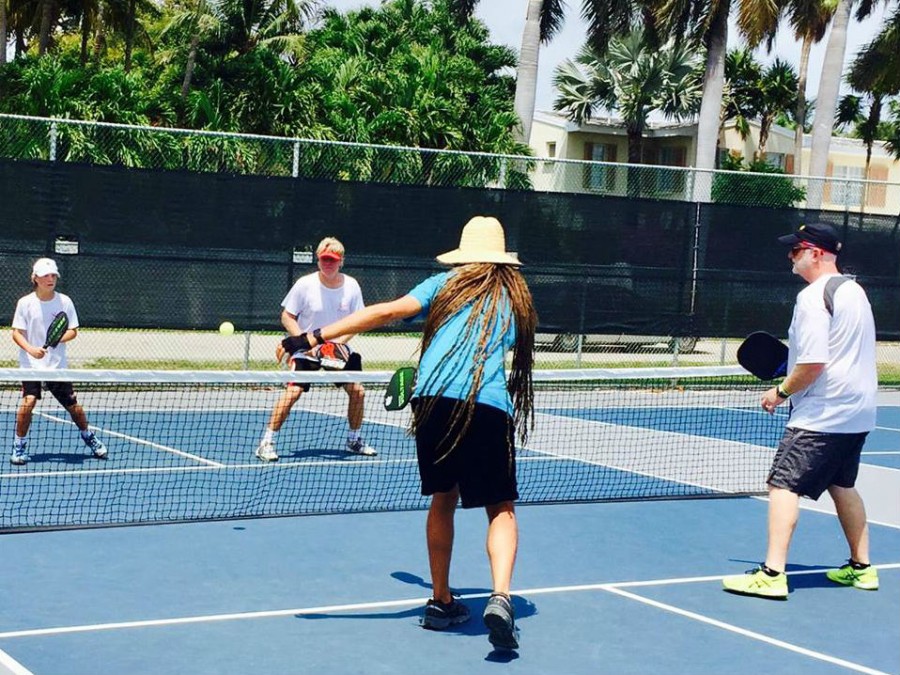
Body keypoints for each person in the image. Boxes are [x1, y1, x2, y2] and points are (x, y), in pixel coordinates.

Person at [277, 216, 536, 650]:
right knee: (501, 509)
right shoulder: (514, 299)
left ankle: (439, 600)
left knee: (443, 499)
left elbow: (383, 313)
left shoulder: (441, 286)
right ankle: (501, 597)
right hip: (486, 406)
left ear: (463, 256)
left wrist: (309, 337)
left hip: (431, 401)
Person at [723, 222, 879, 599]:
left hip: (823, 413)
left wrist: (780, 391)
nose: (790, 256)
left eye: (797, 249)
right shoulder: (855, 292)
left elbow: (812, 364)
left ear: (817, 253)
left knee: (782, 484)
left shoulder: (812, 297)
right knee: (842, 484)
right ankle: (862, 569)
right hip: (858, 411)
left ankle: (772, 574)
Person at [255, 237, 376, 462]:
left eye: (332, 260)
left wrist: (335, 344)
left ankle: (354, 439)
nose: (328, 264)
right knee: (294, 392)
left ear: (341, 261)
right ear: (318, 260)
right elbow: (287, 316)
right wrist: (303, 341)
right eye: (324, 259)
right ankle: (266, 442)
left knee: (358, 391)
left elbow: (357, 322)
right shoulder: (304, 284)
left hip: (337, 350)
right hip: (306, 351)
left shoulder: (351, 286)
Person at [10, 258, 108, 465]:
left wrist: (57, 339)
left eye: (53, 275)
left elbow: (72, 331)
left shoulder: (65, 302)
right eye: (46, 275)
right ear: (35, 278)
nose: (50, 279)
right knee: (29, 401)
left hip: (57, 367)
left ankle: (88, 435)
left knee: (73, 406)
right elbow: (16, 333)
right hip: (30, 366)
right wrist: (31, 349)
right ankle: (19, 445)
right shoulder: (25, 303)